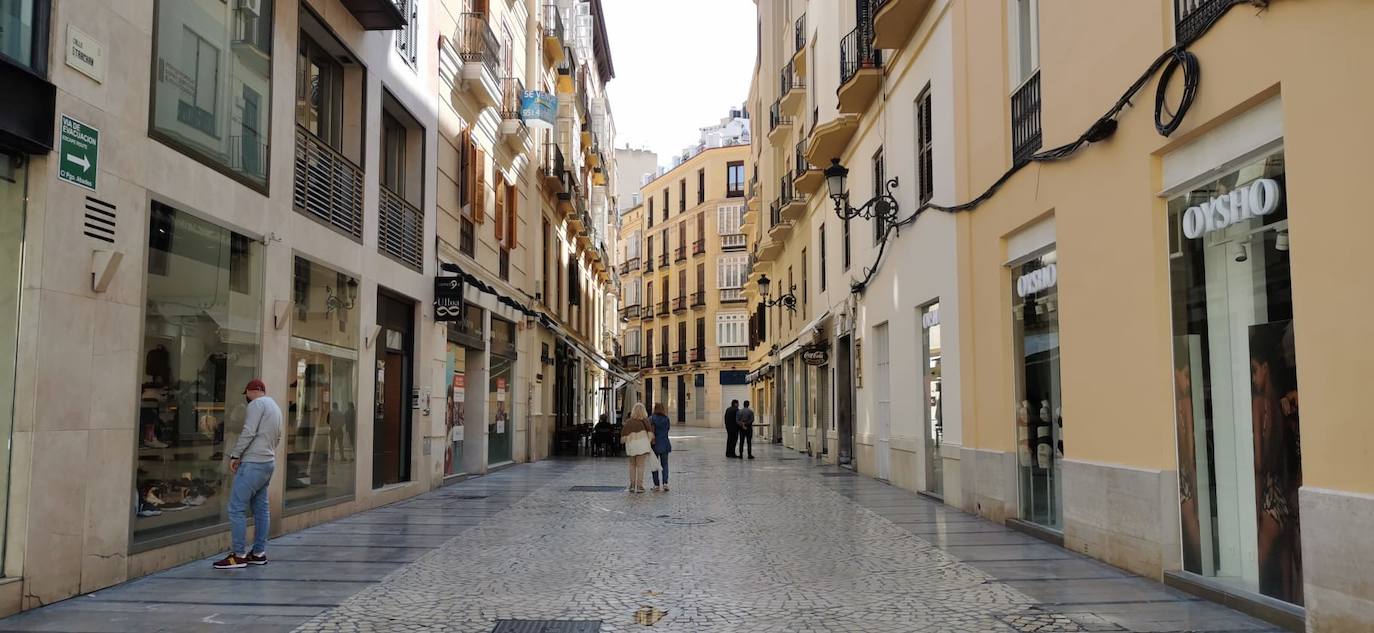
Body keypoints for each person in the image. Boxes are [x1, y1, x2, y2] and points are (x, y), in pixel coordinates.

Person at [215, 379, 282, 570]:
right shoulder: (274, 406)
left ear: (252, 391)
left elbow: (248, 431)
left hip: (253, 463)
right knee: (261, 509)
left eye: (246, 394)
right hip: (268, 462)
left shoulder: (256, 404)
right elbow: (278, 435)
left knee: (236, 507)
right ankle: (258, 553)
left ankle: (238, 555)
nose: (246, 398)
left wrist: (235, 454)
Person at [621, 403, 655, 493]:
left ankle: (632, 485)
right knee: (641, 466)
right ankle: (639, 486)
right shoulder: (645, 421)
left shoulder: (628, 422)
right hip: (642, 446)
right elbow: (650, 434)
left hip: (631, 446)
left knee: (632, 465)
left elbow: (623, 437)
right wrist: (648, 441)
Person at [649, 403, 673, 491]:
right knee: (665, 464)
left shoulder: (651, 418)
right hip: (665, 444)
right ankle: (665, 483)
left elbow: (649, 431)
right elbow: (667, 429)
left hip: (654, 444)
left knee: (654, 465)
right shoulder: (666, 419)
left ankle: (656, 485)